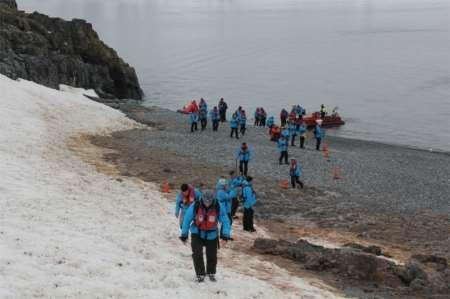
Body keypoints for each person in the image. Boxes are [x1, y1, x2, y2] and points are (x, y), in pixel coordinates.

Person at [180, 190, 231, 282]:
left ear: (213, 199)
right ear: (202, 199)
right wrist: (184, 234)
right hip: (197, 233)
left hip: (212, 234)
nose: (207, 203)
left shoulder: (218, 206)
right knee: (197, 253)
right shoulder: (195, 205)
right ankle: (200, 274)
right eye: (205, 201)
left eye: (209, 201)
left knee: (212, 255)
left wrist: (225, 235)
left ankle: (211, 272)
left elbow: (226, 221)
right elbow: (187, 219)